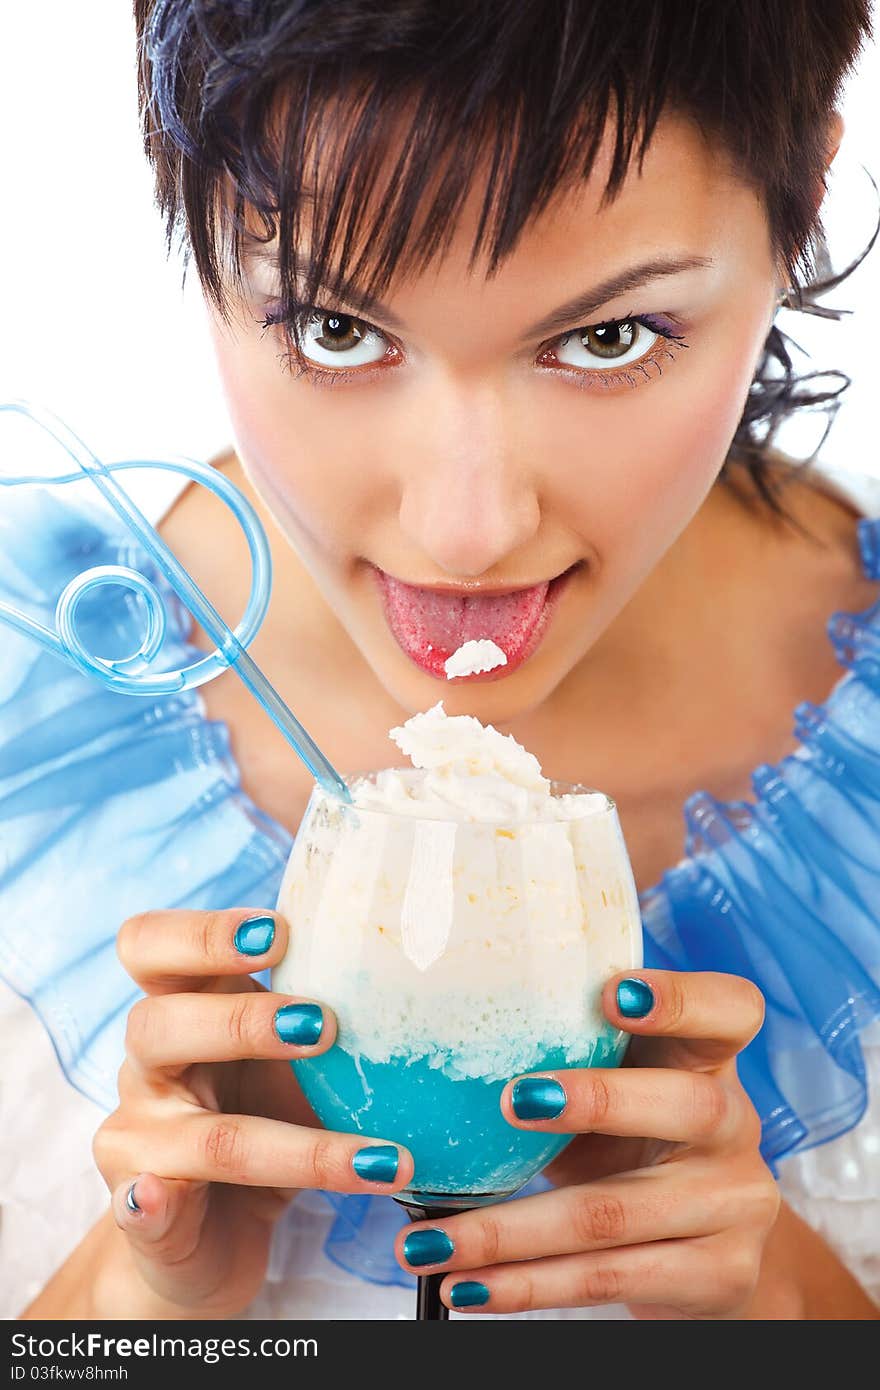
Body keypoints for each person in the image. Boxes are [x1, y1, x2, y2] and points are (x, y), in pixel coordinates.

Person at [3, 0, 880, 1320]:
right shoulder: (31, 714)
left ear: (804, 188)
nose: (465, 528)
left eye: (606, 336)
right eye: (337, 329)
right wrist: (150, 1297)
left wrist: (777, 1309)